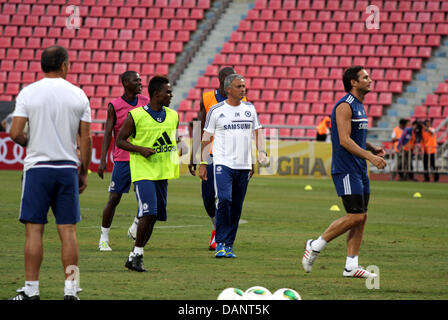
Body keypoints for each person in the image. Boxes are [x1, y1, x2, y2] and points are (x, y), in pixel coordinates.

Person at [8, 45, 92, 300]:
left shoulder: (28, 93)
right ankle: (71, 290)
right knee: (68, 231)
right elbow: (86, 140)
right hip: (66, 168)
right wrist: (84, 171)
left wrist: (28, 141)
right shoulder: (78, 95)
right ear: (64, 64)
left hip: (38, 169)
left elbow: (14, 133)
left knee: (34, 230)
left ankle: (32, 291)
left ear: (43, 65)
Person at [301, 66, 386, 278]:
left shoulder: (359, 105)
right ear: (353, 83)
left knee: (362, 216)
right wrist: (371, 157)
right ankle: (315, 244)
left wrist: (371, 147)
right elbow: (344, 140)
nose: (370, 79)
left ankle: (351, 266)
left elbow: (354, 136)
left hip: (359, 169)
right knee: (355, 215)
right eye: (365, 77)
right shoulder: (344, 105)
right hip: (346, 169)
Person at [199, 74, 267, 258]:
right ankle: (220, 242)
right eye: (239, 86)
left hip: (243, 165)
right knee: (224, 199)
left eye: (244, 86)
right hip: (222, 162)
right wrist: (204, 162)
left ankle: (229, 245)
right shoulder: (216, 110)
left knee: (236, 206)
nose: (243, 89)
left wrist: (261, 152)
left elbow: (257, 132)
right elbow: (206, 137)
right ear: (229, 89)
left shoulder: (250, 109)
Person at [116, 75, 179, 272]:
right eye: (167, 92)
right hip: (143, 171)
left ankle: (135, 255)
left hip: (162, 172)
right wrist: (140, 150)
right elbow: (120, 141)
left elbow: (170, 138)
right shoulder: (136, 115)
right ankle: (138, 255)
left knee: (153, 216)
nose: (171, 95)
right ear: (156, 94)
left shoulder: (173, 115)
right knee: (149, 211)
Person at [188, 67, 245, 251]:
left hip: (231, 156)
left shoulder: (241, 99)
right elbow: (199, 126)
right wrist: (194, 155)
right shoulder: (207, 98)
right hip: (210, 154)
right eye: (227, 77)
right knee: (207, 197)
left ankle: (220, 234)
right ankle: (216, 225)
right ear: (220, 80)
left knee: (225, 197)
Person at [97, 71, 150, 251]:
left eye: (140, 80)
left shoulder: (145, 102)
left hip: (142, 158)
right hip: (122, 158)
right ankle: (103, 237)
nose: (140, 82)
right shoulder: (115, 105)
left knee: (146, 197)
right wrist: (103, 159)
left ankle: (135, 226)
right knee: (114, 198)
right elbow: (107, 133)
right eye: (136, 80)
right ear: (126, 83)